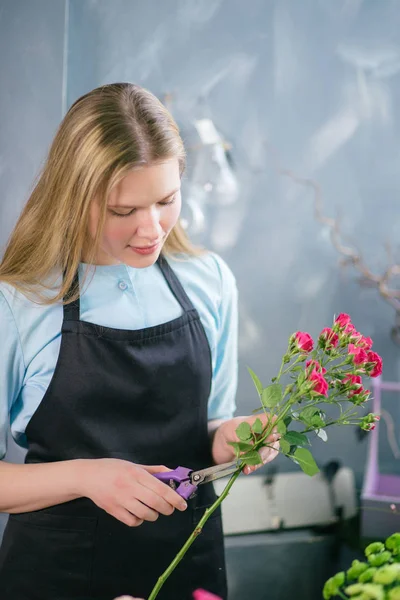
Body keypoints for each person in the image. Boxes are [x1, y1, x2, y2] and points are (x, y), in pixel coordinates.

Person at [0, 83, 279, 600]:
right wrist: (88, 477)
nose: (151, 229)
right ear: (73, 196)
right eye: (122, 210)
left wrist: (232, 438)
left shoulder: (210, 281)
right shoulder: (18, 303)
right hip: (57, 575)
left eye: (166, 200)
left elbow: (210, 425)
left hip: (187, 563)